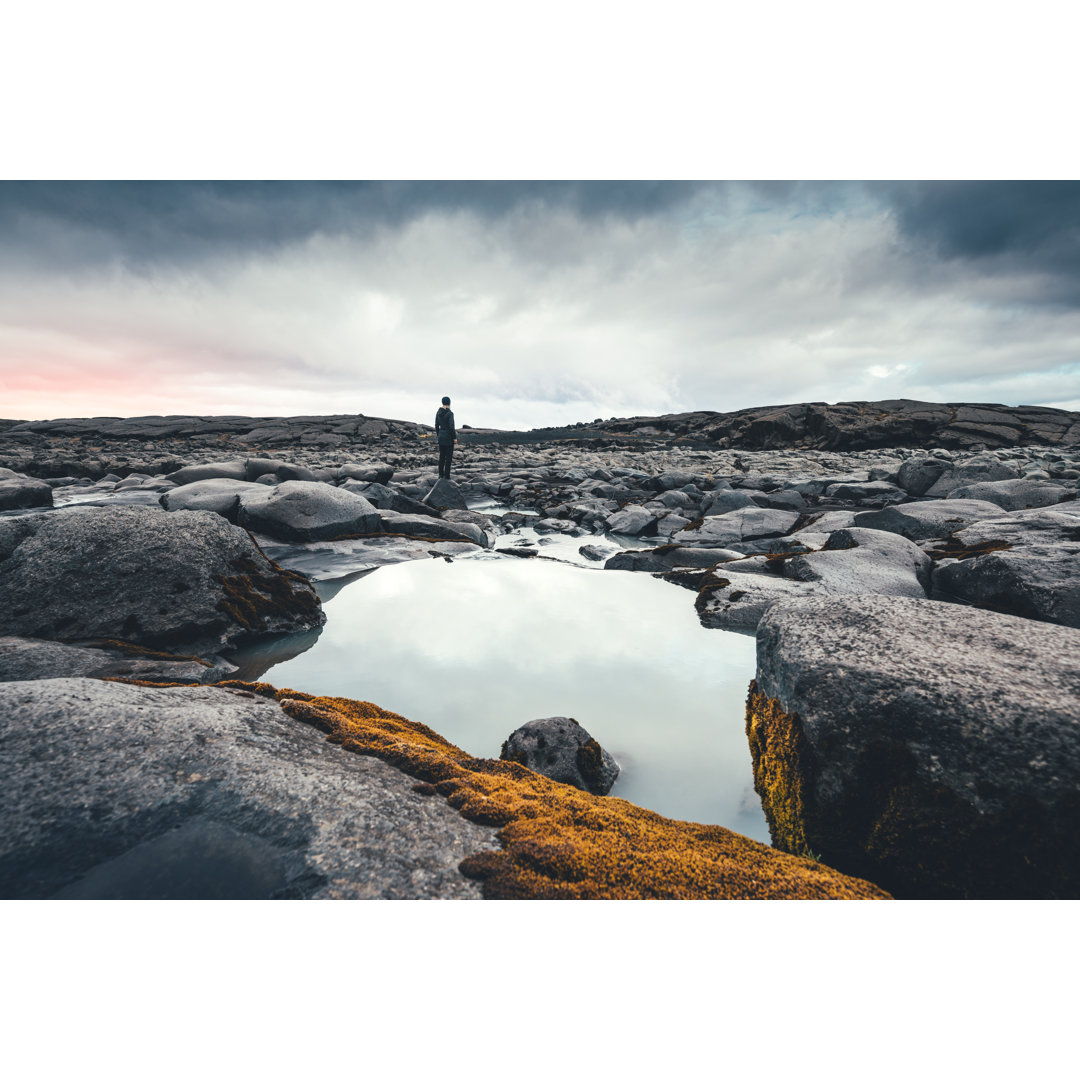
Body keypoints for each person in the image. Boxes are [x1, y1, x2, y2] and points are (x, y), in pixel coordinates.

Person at [435, 395, 456, 479]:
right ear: (449, 403)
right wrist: (454, 438)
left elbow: (436, 425)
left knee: (442, 457)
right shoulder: (450, 413)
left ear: (442, 403)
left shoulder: (438, 412)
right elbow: (451, 427)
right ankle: (447, 476)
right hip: (449, 438)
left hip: (441, 436)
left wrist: (438, 435)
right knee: (448, 458)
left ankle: (440, 475)